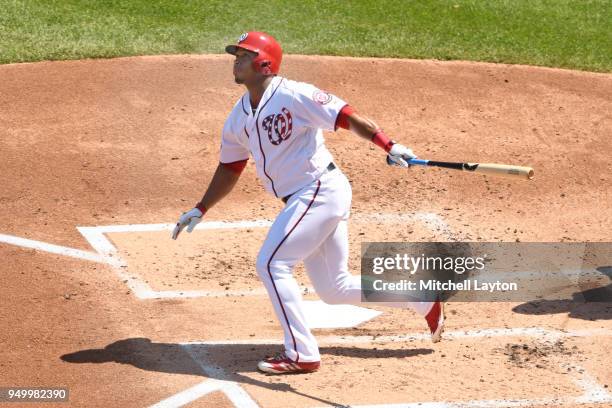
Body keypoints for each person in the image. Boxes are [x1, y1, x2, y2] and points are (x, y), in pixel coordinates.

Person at [173, 32, 444, 375]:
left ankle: (301, 353)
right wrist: (201, 207)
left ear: (264, 63)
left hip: (318, 190)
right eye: (235, 54)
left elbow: (346, 115)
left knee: (271, 264)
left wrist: (389, 146)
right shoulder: (239, 116)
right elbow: (231, 166)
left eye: (243, 54)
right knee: (335, 288)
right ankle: (422, 299)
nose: (235, 59)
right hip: (308, 197)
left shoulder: (294, 94)